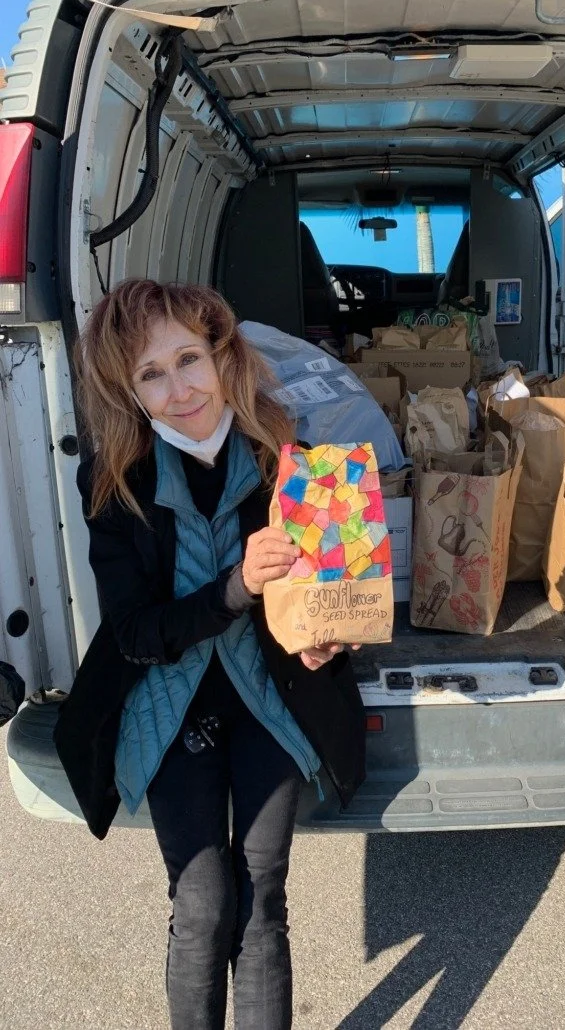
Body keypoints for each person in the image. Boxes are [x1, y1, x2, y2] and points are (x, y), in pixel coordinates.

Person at [54, 279, 366, 1030]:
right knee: (202, 903)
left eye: (188, 358)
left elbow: (334, 599)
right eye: (149, 374)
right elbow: (132, 633)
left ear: (223, 353)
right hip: (168, 703)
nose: (178, 388)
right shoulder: (113, 483)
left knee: (261, 898)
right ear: (126, 390)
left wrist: (329, 636)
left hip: (271, 696)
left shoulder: (298, 463)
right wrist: (232, 588)